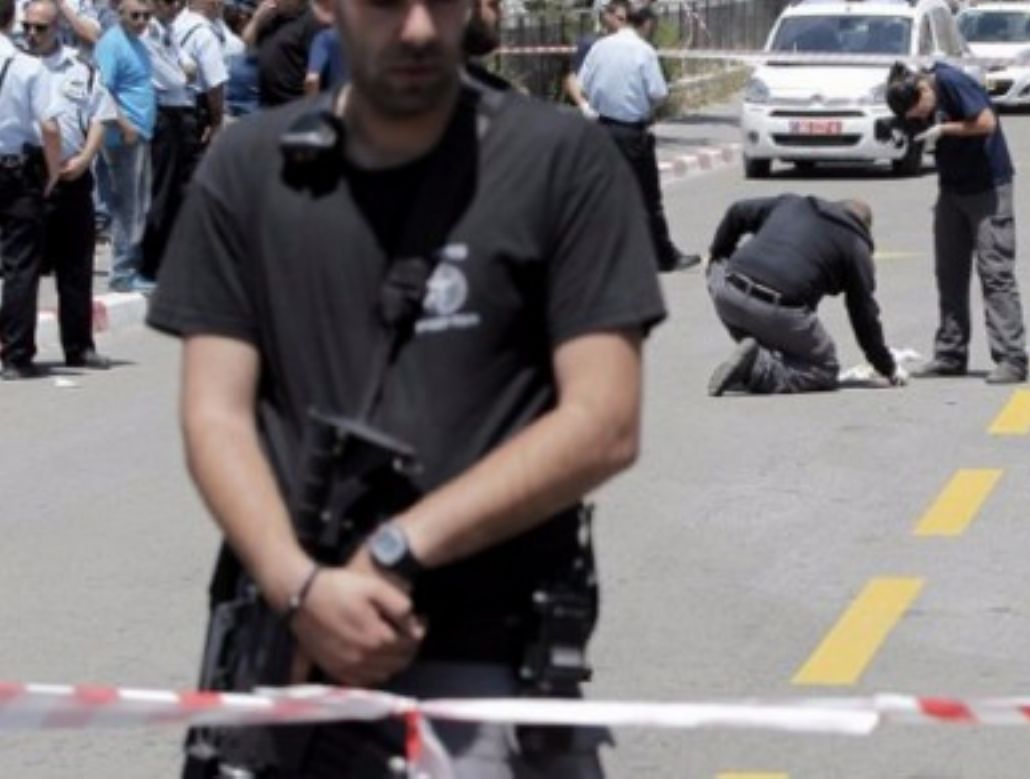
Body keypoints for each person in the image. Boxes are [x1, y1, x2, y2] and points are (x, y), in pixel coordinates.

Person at [147, 0, 665, 767]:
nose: (419, 27)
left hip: (484, 677)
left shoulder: (562, 162)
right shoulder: (249, 169)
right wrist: (299, 588)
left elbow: (604, 421)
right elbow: (213, 415)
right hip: (285, 665)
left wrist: (396, 549)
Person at [885, 59, 1029, 385]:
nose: (921, 117)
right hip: (951, 189)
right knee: (949, 272)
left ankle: (1011, 358)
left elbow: (986, 122)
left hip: (988, 187)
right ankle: (951, 353)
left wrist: (944, 129)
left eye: (919, 110)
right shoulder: (918, 99)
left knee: (995, 273)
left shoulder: (951, 82)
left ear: (923, 89)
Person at [704, 195, 907, 396]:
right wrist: (886, 366)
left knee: (720, 265)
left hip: (726, 291)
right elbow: (864, 315)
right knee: (824, 368)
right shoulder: (856, 246)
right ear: (865, 228)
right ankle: (757, 368)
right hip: (776, 310)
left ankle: (755, 354)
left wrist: (718, 253)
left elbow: (737, 210)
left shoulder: (791, 204)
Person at [22, 0, 115, 370]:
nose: (32, 34)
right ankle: (19, 351)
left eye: (40, 28)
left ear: (57, 27)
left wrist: (87, 157)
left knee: (76, 267)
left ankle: (79, 347)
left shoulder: (81, 68)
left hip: (72, 173)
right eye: (27, 27)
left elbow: (101, 115)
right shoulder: (14, 66)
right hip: (29, 176)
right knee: (23, 271)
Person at [579, 0, 698, 273]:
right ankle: (663, 256)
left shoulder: (599, 47)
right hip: (632, 133)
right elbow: (658, 92)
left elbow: (583, 85)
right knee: (648, 198)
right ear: (646, 24)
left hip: (602, 130)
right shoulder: (643, 51)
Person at [0, 0, 65, 380]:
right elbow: (50, 128)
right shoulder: (27, 66)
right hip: (16, 171)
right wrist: (54, 172)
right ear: (12, 19)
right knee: (20, 265)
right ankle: (16, 355)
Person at [141, 0, 226, 284]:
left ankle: (164, 259)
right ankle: (157, 262)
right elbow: (214, 83)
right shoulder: (200, 32)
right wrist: (217, 121)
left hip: (168, 112)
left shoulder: (172, 28)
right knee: (174, 190)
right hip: (178, 113)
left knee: (167, 188)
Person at [95, 0, 157, 293]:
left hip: (141, 133)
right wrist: (124, 125)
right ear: (120, 14)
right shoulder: (112, 43)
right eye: (135, 15)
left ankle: (131, 266)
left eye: (147, 15)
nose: (142, 21)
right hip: (123, 136)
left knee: (139, 203)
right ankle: (122, 272)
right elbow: (102, 89)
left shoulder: (138, 42)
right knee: (127, 204)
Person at [248, 0, 319, 107]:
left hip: (294, 104)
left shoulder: (311, 22)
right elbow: (246, 45)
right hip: (266, 103)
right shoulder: (271, 18)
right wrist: (256, 20)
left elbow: (316, 73)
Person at [562, 0, 622, 117]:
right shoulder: (589, 43)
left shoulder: (633, 44)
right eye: (611, 11)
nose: (619, 18)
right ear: (602, 15)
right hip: (596, 111)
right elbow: (572, 78)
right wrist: (584, 106)